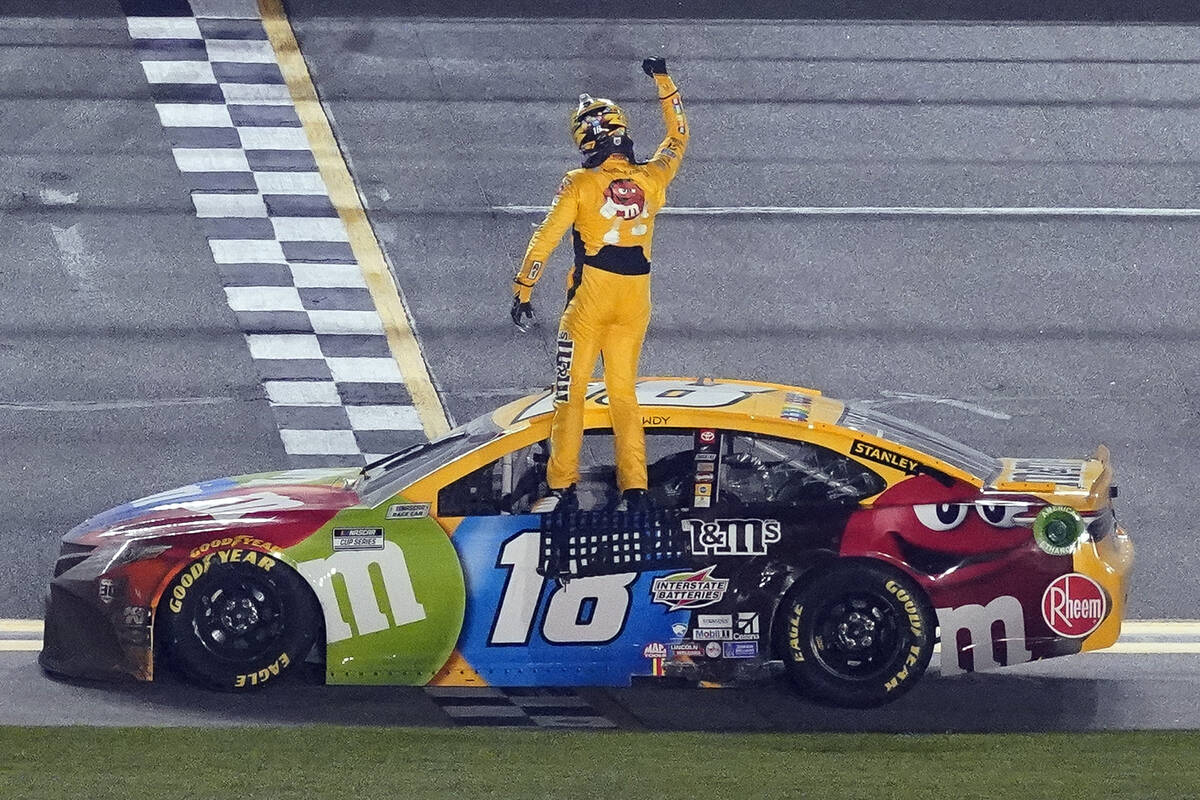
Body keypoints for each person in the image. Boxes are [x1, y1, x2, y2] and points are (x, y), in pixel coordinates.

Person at [509, 57, 689, 512]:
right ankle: (635, 489)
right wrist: (663, 81)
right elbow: (679, 135)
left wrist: (523, 289)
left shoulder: (579, 183)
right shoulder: (653, 177)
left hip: (590, 302)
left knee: (571, 396)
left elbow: (546, 237)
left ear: (585, 142)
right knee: (624, 396)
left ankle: (560, 487)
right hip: (635, 302)